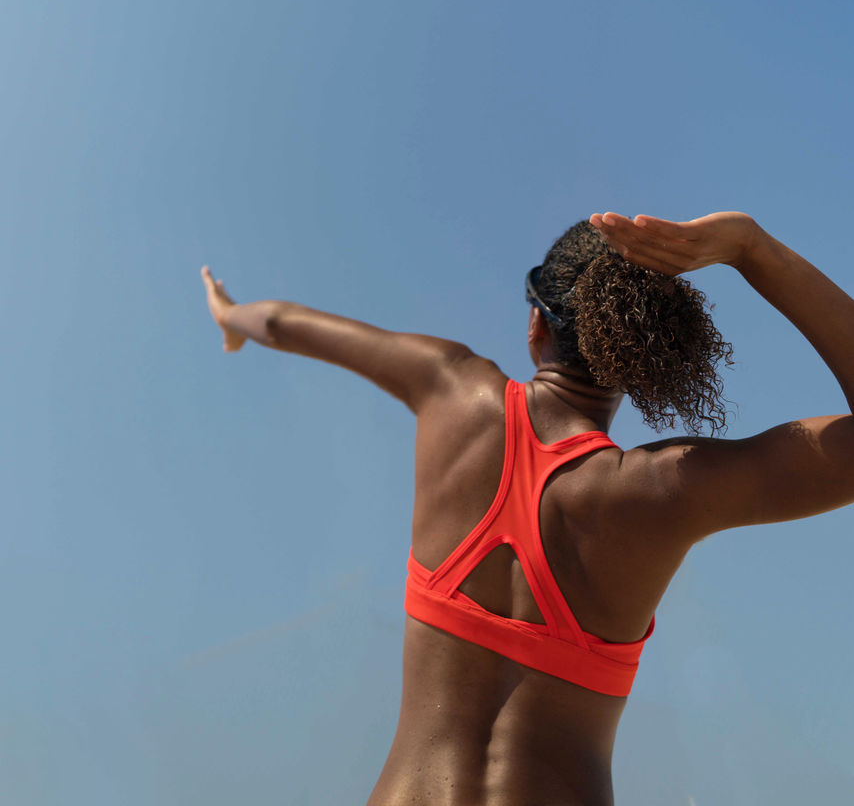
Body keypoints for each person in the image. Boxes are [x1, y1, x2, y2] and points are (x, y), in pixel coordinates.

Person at [201, 210, 854, 806]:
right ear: (631, 355)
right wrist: (750, 247)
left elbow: (281, 322)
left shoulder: (450, 387)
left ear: (537, 322)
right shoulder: (662, 490)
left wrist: (230, 318)